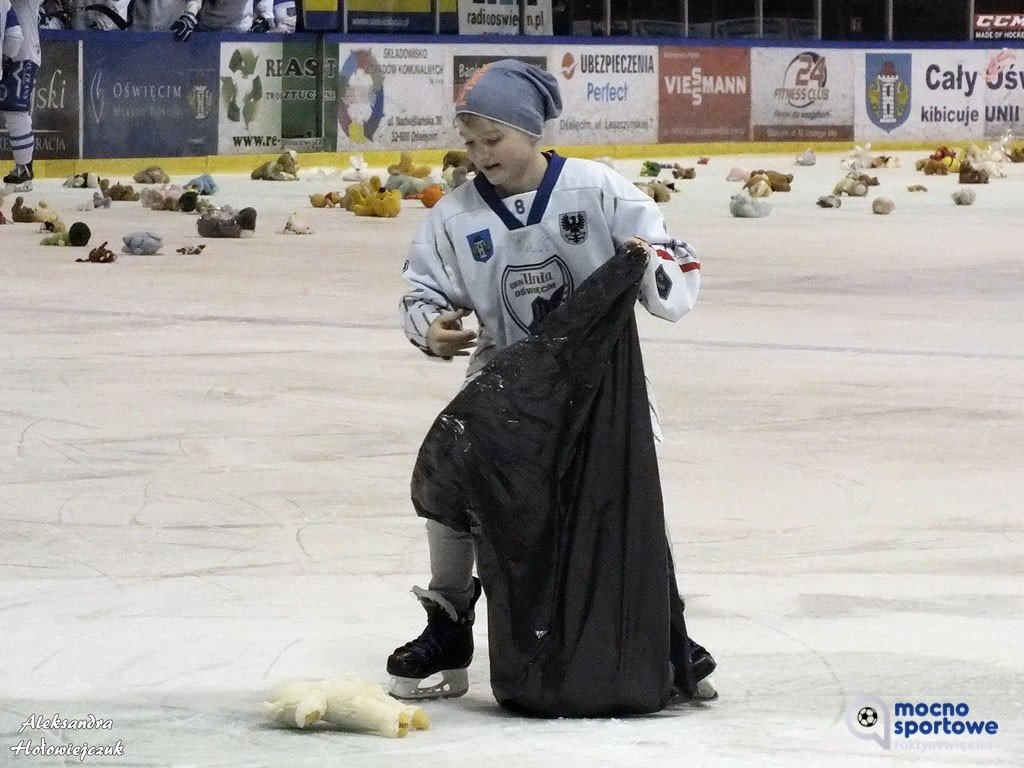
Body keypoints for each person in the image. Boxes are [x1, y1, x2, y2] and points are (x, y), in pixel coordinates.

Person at [391, 59, 715, 702]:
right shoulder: (454, 217)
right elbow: (420, 290)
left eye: (495, 140)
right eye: (471, 142)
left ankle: (663, 629)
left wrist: (650, 270)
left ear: (534, 133)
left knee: (630, 497)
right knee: (454, 482)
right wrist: (432, 329)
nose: (481, 156)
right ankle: (449, 622)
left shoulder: (596, 190)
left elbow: (671, 258)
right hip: (504, 393)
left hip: (602, 392)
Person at [1, 0, 40, 193]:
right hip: (11, 54)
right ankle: (24, 167)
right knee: (13, 112)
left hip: (23, 55)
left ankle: (24, 168)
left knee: (16, 111)